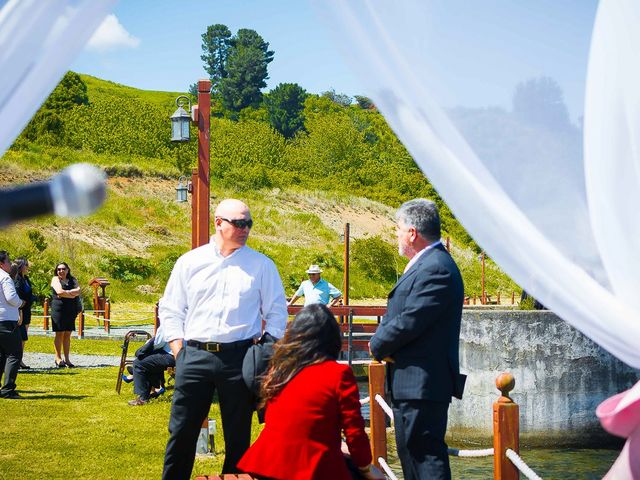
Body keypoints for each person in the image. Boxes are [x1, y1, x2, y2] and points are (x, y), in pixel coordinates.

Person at [160, 199, 288, 478]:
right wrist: (178, 349)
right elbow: (171, 308)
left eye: (249, 224)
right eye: (239, 223)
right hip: (193, 355)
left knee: (238, 435)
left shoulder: (261, 266)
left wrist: (265, 348)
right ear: (218, 223)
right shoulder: (190, 262)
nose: (245, 229)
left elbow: (278, 313)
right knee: (181, 431)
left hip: (239, 358)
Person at [369, 199, 465, 480]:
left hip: (422, 383)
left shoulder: (437, 268)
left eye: (398, 229)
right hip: (411, 383)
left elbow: (410, 320)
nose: (396, 235)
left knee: (425, 458)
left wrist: (377, 344)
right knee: (412, 455)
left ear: (412, 233)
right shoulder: (427, 264)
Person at [238, 304, 384, 480]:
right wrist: (367, 468)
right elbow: (354, 432)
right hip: (313, 468)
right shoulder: (338, 374)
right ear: (333, 340)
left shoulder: (281, 371)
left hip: (267, 465)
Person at [125, 323, 176, 406]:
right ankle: (155, 388)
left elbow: (158, 343)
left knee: (139, 363)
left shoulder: (168, 322)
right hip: (181, 355)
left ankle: (142, 398)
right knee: (149, 361)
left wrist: (146, 346)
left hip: (173, 355)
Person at [0, 251, 24, 399]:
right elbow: (11, 298)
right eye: (8, 262)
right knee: (14, 353)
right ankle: (8, 389)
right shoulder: (5, 278)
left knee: (1, 355)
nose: (10, 265)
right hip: (6, 321)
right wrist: (21, 303)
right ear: (1, 264)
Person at [50, 262, 81, 368]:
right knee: (60, 333)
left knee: (68, 334)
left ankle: (67, 359)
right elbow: (59, 291)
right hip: (59, 310)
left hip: (70, 310)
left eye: (63, 269)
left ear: (68, 270)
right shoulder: (55, 279)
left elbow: (78, 291)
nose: (61, 271)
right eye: (58, 269)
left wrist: (66, 293)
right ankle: (58, 358)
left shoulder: (73, 280)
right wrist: (72, 294)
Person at [13, 258, 34, 370]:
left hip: (27, 310)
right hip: (20, 310)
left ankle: (20, 359)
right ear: (20, 266)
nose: (27, 266)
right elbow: (17, 294)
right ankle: (16, 360)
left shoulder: (26, 278)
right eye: (26, 264)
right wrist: (20, 309)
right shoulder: (17, 279)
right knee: (19, 336)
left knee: (24, 337)